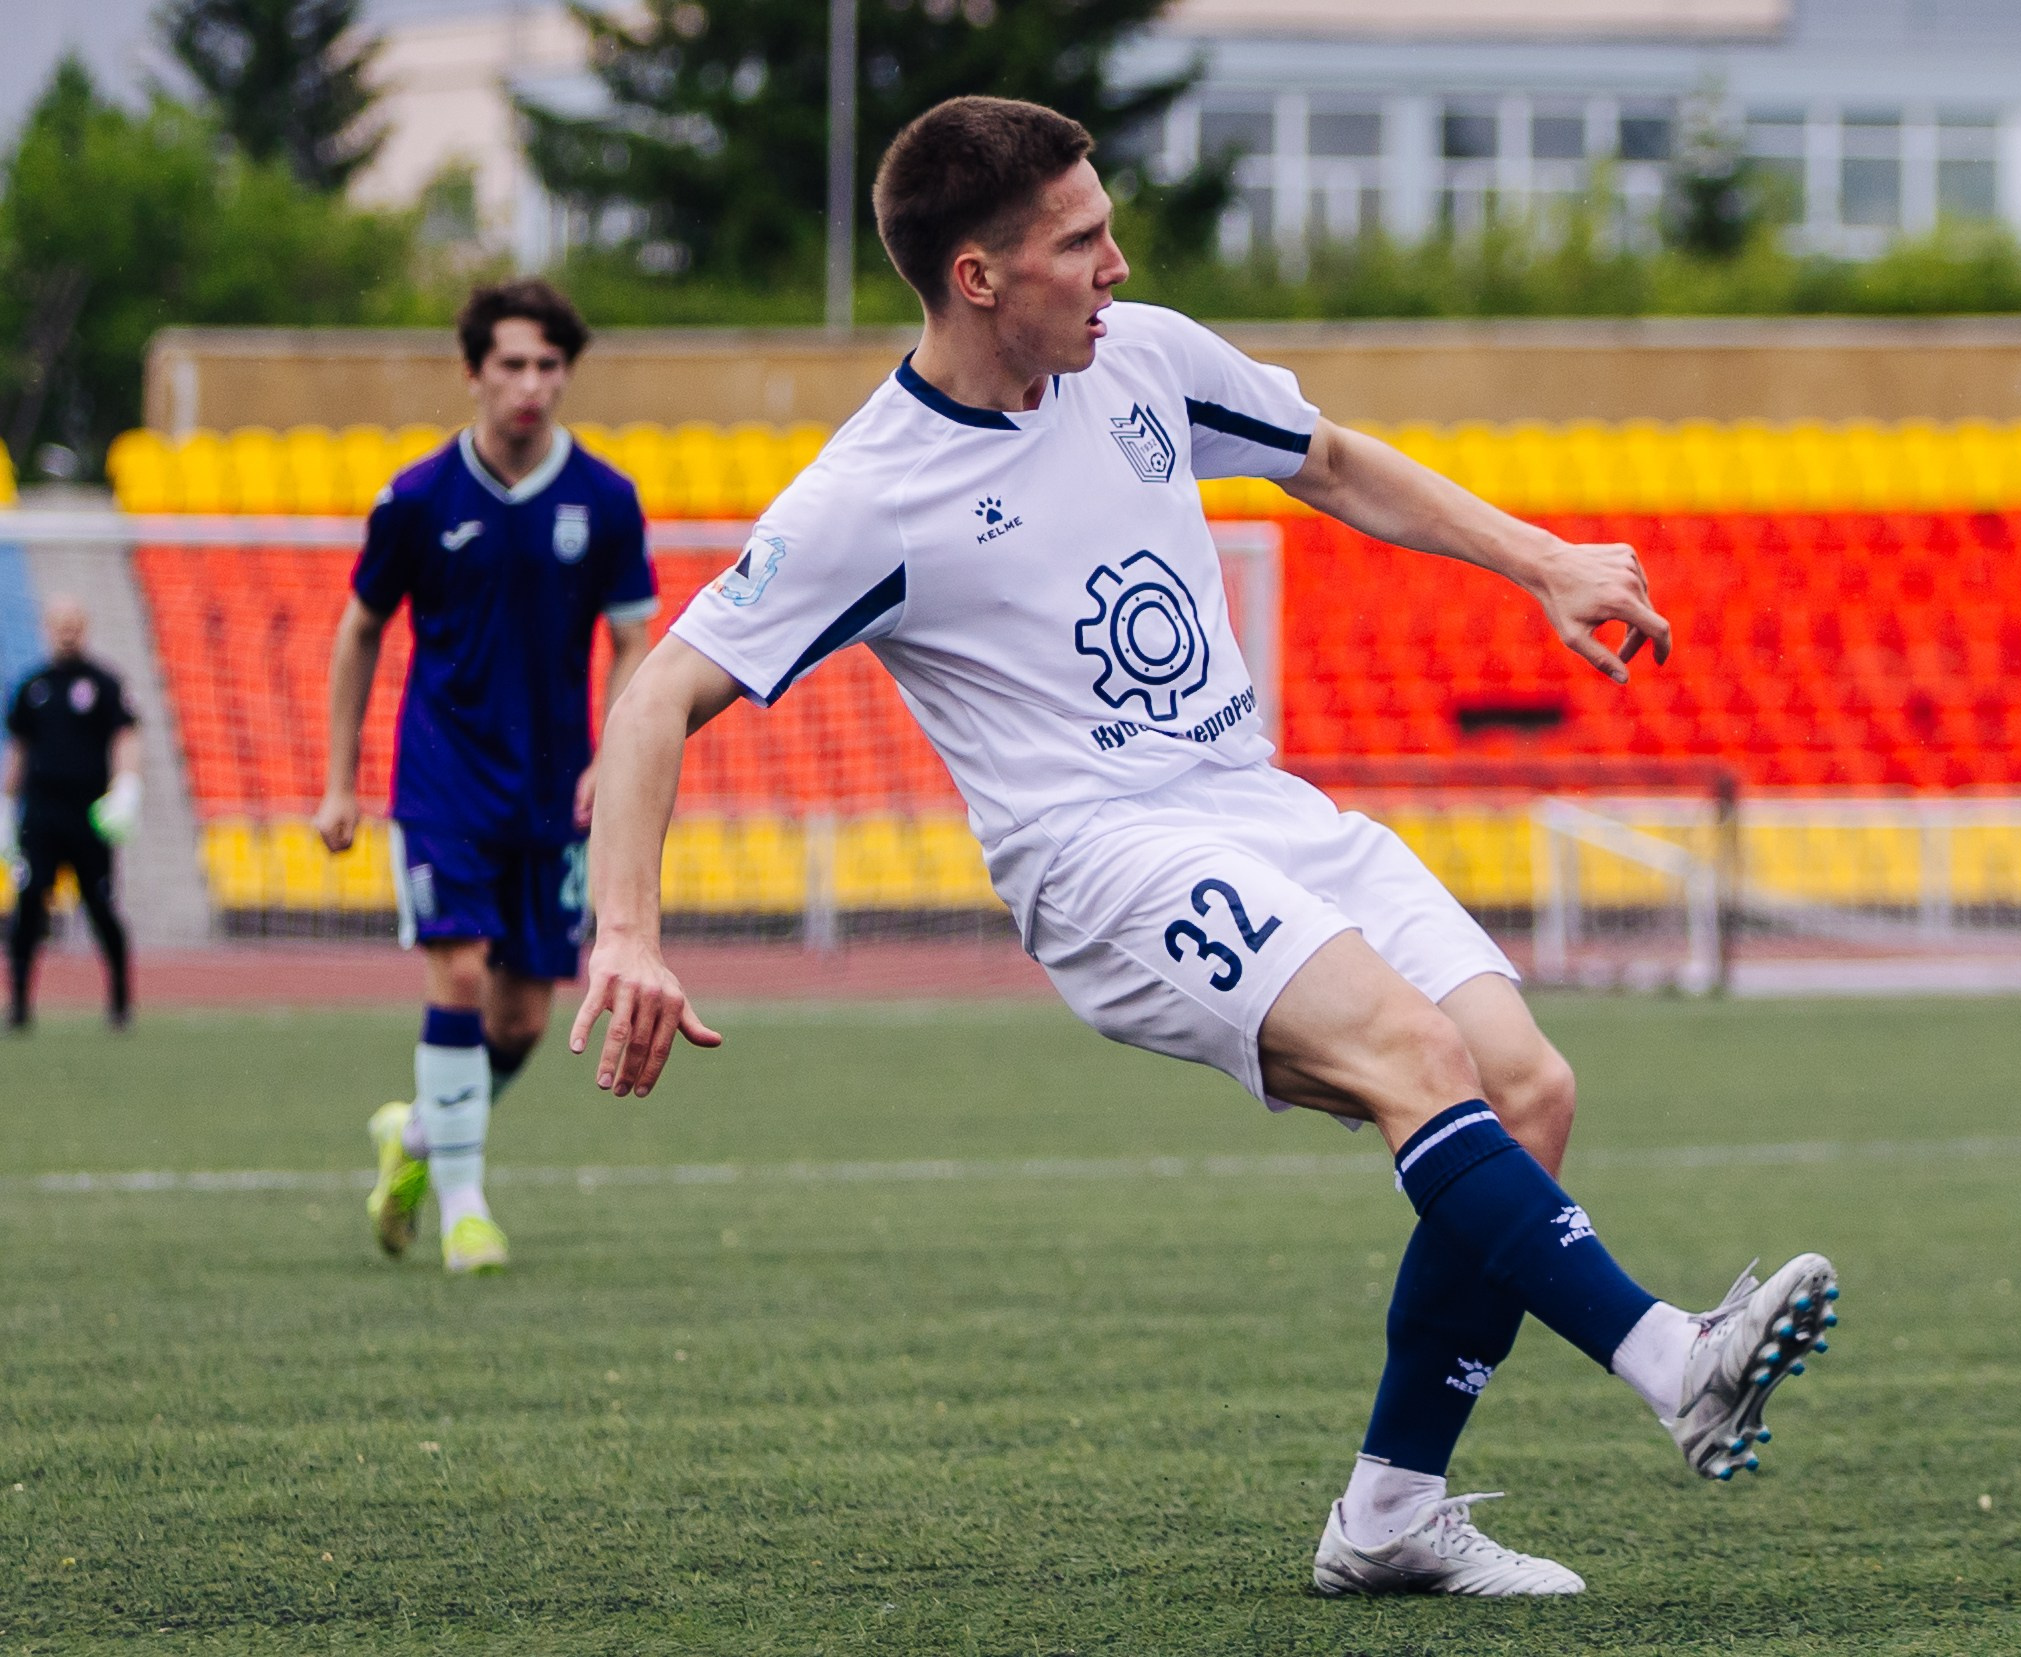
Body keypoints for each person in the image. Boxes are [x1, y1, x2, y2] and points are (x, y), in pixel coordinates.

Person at [569, 97, 1839, 1595]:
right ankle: (1669, 1356)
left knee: (1524, 1086)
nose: (1117, 262)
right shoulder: (869, 493)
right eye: (1081, 239)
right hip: (1096, 855)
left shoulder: (1146, 359)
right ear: (978, 277)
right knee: (1413, 1063)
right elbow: (658, 693)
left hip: (1252, 800)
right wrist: (630, 932)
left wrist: (1541, 559)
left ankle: (1386, 1517)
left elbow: (1332, 461)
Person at [318, 279, 657, 1275]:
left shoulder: (604, 498)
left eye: (549, 366)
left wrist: (613, 753)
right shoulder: (419, 497)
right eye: (511, 363)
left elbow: (634, 639)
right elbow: (360, 630)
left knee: (520, 1018)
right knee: (458, 973)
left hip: (554, 788)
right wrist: (340, 780)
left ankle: (415, 1134)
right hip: (441, 778)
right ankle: (465, 1205)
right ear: (472, 371)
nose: (531, 385)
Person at [5, 596, 141, 1030]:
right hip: (42, 815)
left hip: (88, 815)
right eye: (60, 625)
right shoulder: (32, 686)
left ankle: (120, 1002)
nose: (67, 632)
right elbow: (19, 751)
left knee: (101, 906)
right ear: (48, 628)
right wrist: (6, 803)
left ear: (85, 627)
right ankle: (20, 1005)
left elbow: (125, 737)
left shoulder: (104, 683)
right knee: (28, 905)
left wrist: (127, 784)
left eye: (74, 624)